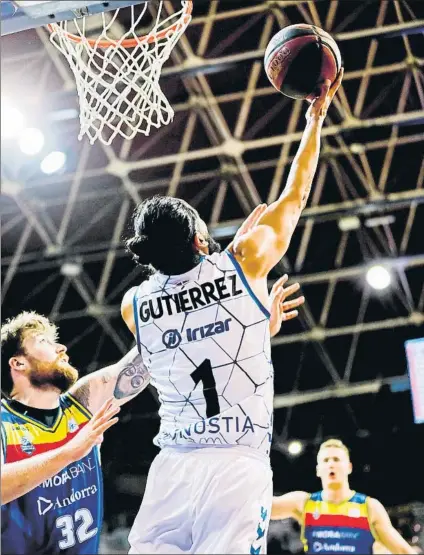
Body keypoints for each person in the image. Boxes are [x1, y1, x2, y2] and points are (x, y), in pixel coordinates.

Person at [121, 71, 344, 554]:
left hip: (172, 467)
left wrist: (253, 322)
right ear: (201, 239)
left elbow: (182, 344)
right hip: (236, 465)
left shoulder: (132, 305)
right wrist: (315, 119)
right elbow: (295, 196)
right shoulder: (247, 260)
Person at [1, 311, 151, 555]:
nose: (61, 348)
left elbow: (143, 362)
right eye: (44, 342)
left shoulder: (81, 405)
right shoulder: (4, 423)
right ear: (18, 363)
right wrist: (70, 452)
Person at [271, 439, 416, 554]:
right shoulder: (303, 502)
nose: (331, 464)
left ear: (349, 467)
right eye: (326, 461)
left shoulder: (369, 507)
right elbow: (263, 508)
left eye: (336, 459)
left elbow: (403, 551)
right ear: (318, 470)